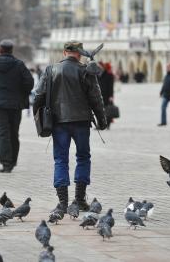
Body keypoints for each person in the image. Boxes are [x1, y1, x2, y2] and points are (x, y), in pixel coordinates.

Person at [33, 41, 106, 213]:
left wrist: (38, 117)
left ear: (64, 52)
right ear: (80, 54)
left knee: (60, 160)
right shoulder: (85, 70)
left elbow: (39, 95)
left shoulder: (51, 70)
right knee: (83, 157)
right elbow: (96, 97)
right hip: (81, 121)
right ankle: (80, 199)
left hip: (58, 122)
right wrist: (102, 120)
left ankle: (63, 203)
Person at [0, 40, 34, 173]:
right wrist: (21, 92)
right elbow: (29, 82)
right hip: (15, 104)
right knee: (13, 132)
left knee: (2, 134)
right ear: (12, 50)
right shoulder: (19, 64)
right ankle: (12, 161)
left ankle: (6, 163)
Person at [98, 62, 114, 129]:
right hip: (99, 95)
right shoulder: (98, 75)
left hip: (107, 95)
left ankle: (108, 124)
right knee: (99, 110)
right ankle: (100, 124)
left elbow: (111, 86)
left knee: (108, 110)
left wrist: (111, 96)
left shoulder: (109, 75)